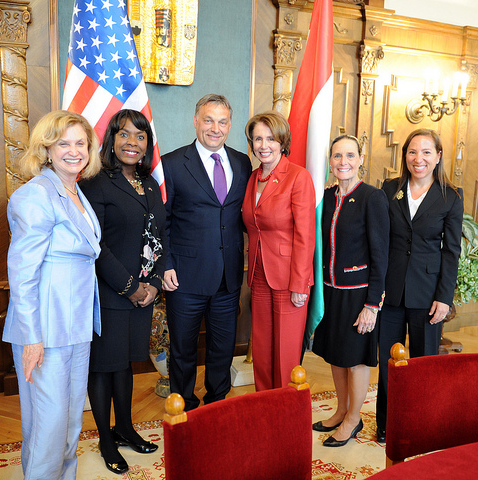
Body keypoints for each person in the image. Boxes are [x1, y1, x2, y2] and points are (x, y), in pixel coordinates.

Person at [2, 111, 102, 479]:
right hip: (44, 327)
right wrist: (31, 338)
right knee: (48, 428)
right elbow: (23, 273)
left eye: (81, 143)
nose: (74, 151)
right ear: (46, 149)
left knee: (70, 423)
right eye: (64, 143)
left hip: (76, 324)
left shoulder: (74, 190)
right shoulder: (34, 195)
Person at [81, 109, 166, 474]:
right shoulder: (95, 183)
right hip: (110, 293)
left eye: (140, 136)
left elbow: (160, 234)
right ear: (111, 139)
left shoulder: (148, 183)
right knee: (103, 367)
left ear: (147, 143)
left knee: (125, 365)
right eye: (125, 134)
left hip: (143, 295)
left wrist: (155, 283)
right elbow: (96, 246)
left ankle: (125, 428)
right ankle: (105, 438)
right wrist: (131, 287)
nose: (133, 142)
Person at [161, 94, 251, 411]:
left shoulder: (242, 162)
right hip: (184, 278)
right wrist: (166, 265)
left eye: (222, 121)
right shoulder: (172, 164)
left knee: (222, 347)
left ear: (230, 125)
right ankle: (183, 404)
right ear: (196, 121)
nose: (215, 128)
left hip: (228, 276)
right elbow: (163, 221)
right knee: (183, 348)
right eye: (209, 120)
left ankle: (216, 404)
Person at [375, 128, 463, 443]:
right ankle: (387, 423)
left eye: (427, 152)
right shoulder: (389, 189)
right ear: (405, 156)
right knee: (388, 362)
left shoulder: (450, 196)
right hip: (390, 290)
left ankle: (422, 422)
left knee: (424, 361)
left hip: (428, 294)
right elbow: (379, 239)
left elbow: (451, 251)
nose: (419, 158)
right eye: (413, 152)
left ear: (438, 156)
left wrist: (444, 297)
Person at [311, 135, 389, 447]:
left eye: (350, 155)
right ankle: (341, 409)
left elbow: (381, 255)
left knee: (355, 359)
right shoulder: (327, 197)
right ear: (330, 161)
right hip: (330, 292)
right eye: (337, 156)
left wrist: (372, 305)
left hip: (359, 293)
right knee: (335, 354)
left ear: (360, 159)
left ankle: (354, 419)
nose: (343, 162)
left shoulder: (373, 197)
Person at [242, 111, 315, 390]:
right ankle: (265, 409)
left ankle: (286, 419)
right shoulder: (252, 178)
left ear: (282, 141)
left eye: (270, 138)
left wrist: (300, 283)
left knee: (285, 355)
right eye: (258, 138)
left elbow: (305, 236)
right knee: (261, 351)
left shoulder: (298, 177)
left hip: (288, 279)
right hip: (259, 274)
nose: (263, 145)